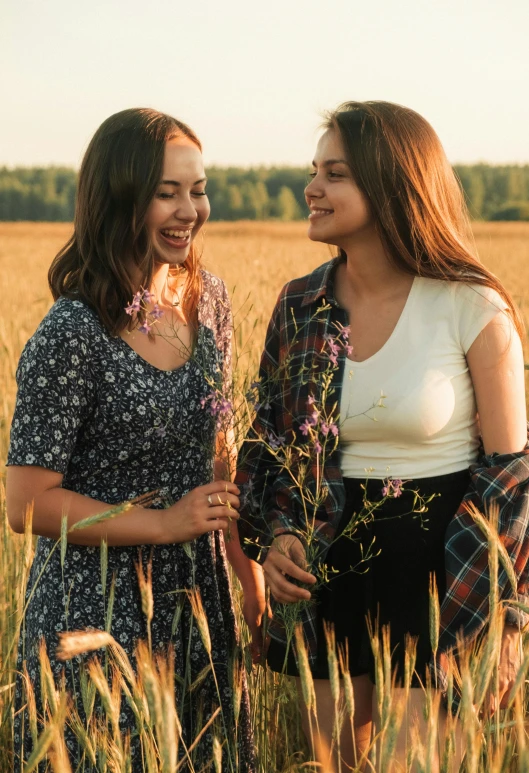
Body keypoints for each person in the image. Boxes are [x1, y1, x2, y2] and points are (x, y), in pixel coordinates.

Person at [236, 101, 527, 771]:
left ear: (391, 182)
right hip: (327, 573)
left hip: (439, 576)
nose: (311, 188)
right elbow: (268, 452)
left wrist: (506, 617)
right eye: (314, 170)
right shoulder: (298, 302)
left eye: (334, 173)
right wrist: (277, 538)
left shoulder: (469, 304)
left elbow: (510, 476)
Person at [6, 108, 264, 771]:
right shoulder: (74, 329)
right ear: (120, 195)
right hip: (95, 612)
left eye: (197, 189)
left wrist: (245, 571)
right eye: (167, 191)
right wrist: (162, 523)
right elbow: (26, 503)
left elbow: (220, 446)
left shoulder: (207, 300)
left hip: (197, 605)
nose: (190, 209)